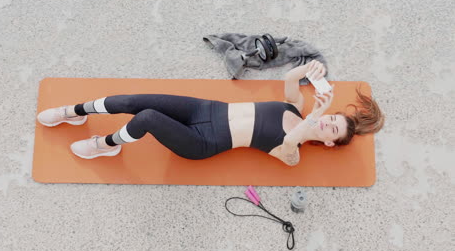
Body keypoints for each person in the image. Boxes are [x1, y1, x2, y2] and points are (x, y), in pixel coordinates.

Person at [37, 60, 384, 165]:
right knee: (133, 100)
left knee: (145, 120)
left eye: (331, 129)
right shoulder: (296, 107)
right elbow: (290, 79)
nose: (327, 121)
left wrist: (310, 120)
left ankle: (108, 144)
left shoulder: (290, 153)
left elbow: (293, 138)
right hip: (205, 109)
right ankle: (74, 111)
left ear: (326, 142)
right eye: (333, 118)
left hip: (202, 141)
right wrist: (309, 70)